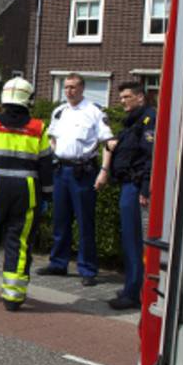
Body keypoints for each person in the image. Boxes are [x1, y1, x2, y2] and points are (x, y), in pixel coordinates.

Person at [0, 77, 54, 311]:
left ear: (4, 99)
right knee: (20, 241)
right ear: (28, 100)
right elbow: (46, 166)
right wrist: (46, 197)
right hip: (27, 189)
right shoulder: (38, 128)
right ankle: (13, 297)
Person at [37, 74, 114, 286]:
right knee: (60, 220)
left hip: (83, 172)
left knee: (84, 222)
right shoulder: (59, 111)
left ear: (82, 88)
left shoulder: (94, 112)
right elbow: (52, 139)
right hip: (61, 170)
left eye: (73, 87)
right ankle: (58, 263)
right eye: (66, 87)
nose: (69, 91)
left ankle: (87, 269)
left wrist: (104, 171)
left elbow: (108, 142)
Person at [99, 82, 156, 310]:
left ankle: (133, 294)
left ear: (140, 97)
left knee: (134, 241)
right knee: (129, 240)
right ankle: (132, 287)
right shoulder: (133, 121)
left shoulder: (148, 120)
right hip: (128, 186)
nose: (122, 101)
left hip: (135, 187)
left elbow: (151, 157)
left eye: (127, 96)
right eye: (121, 97)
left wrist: (145, 188)